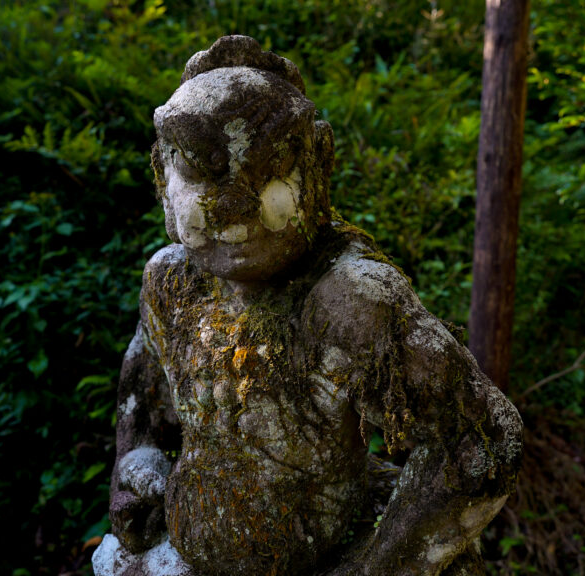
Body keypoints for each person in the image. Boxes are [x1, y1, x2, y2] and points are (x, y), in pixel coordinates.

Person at [93, 35, 522, 576]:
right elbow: (140, 389)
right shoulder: (171, 282)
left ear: (318, 163)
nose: (232, 205)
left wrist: (378, 566)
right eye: (200, 170)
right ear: (163, 174)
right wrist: (133, 464)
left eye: (267, 169)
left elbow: (483, 441)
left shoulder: (347, 297)